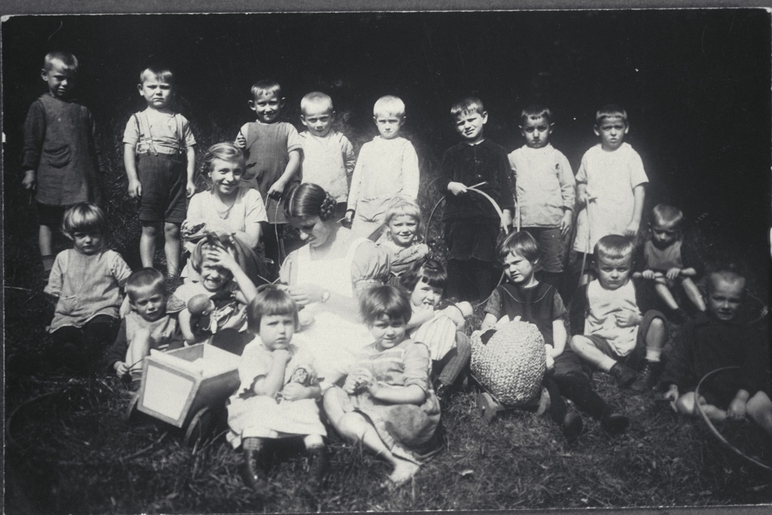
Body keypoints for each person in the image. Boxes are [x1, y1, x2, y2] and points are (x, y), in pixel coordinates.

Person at [481, 231, 629, 435]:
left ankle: (606, 413)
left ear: (534, 261)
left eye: (516, 262)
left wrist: (555, 351)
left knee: (572, 379)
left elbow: (560, 330)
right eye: (506, 266)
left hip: (553, 350)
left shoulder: (550, 293)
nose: (511, 269)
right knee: (546, 383)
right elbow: (487, 326)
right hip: (519, 356)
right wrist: (496, 332)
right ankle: (565, 417)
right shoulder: (502, 293)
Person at [323, 285, 440, 489]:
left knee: (348, 420)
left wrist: (378, 391)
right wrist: (351, 385)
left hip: (407, 412)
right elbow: (357, 384)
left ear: (406, 322)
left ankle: (401, 461)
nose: (390, 332)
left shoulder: (412, 349)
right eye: (382, 325)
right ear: (368, 325)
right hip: (375, 407)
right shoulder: (365, 352)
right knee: (331, 393)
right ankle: (363, 436)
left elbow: (417, 393)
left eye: (397, 324)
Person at [280, 183, 390, 387]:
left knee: (304, 367)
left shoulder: (360, 251)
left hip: (348, 338)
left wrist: (322, 296)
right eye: (297, 230)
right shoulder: (297, 258)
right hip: (303, 334)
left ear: (328, 214)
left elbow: (370, 313)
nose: (302, 236)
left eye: (308, 226)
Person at [227, 286, 328, 494]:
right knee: (262, 406)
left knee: (307, 406)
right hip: (258, 401)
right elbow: (268, 391)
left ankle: (317, 465)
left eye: (287, 322)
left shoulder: (301, 350)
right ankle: (251, 463)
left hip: (289, 404)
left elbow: (317, 388)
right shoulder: (253, 354)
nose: (281, 330)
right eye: (272, 324)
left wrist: (306, 393)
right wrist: (280, 359)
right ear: (256, 329)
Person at [22, 51, 106, 278]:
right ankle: (49, 268)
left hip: (80, 176)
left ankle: (81, 263)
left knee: (80, 219)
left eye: (70, 79)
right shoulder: (40, 107)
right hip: (51, 175)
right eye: (59, 77)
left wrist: (99, 170)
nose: (65, 83)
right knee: (48, 221)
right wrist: (29, 170)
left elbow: (93, 143)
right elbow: (31, 142)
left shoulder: (82, 110)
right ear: (44, 75)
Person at [659, 270, 772, 436]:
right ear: (705, 298)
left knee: (763, 410)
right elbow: (679, 359)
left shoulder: (748, 331)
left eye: (733, 301)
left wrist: (741, 398)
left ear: (742, 302)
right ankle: (730, 420)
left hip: (744, 389)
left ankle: (754, 421)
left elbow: (755, 367)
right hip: (707, 389)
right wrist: (673, 386)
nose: (725, 306)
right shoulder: (694, 327)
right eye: (719, 298)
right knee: (685, 405)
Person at [435, 96, 515, 302]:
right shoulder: (452, 153)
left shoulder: (497, 152)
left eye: (471, 120)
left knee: (484, 259)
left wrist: (506, 212)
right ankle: (452, 298)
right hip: (457, 216)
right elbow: (441, 181)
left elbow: (507, 186)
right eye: (461, 123)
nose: (467, 126)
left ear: (484, 118)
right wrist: (450, 185)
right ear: (455, 127)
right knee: (457, 258)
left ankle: (486, 300)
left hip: (487, 215)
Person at [123, 66, 197, 280]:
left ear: (172, 90)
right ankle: (148, 272)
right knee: (149, 227)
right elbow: (128, 149)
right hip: (149, 179)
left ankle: (173, 275)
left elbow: (191, 149)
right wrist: (133, 179)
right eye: (152, 87)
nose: (158, 92)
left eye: (164, 87)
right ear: (141, 89)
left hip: (176, 180)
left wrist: (190, 180)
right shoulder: (137, 119)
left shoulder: (180, 120)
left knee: (173, 227)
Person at [569, 235, 667, 393]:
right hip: (604, 346)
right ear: (595, 266)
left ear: (631, 266)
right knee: (576, 341)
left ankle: (650, 367)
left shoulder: (638, 288)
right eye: (607, 269)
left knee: (657, 319)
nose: (615, 275)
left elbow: (653, 313)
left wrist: (637, 319)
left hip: (635, 345)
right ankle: (616, 369)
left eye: (622, 269)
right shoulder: (586, 291)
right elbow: (576, 326)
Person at [43, 203, 132, 374]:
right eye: (81, 235)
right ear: (71, 236)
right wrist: (56, 316)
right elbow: (53, 292)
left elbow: (130, 282)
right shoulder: (64, 258)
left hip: (102, 311)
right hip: (69, 314)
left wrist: (126, 302)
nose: (88, 240)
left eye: (93, 234)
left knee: (96, 334)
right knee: (64, 336)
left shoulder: (110, 257)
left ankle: (82, 362)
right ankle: (61, 357)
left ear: (102, 233)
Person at [572, 105, 648, 284]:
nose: (613, 133)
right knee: (590, 263)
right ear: (597, 130)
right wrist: (581, 194)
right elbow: (581, 181)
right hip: (595, 220)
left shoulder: (630, 155)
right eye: (607, 128)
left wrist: (635, 221)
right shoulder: (590, 155)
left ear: (626, 128)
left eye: (618, 127)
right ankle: (585, 302)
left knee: (618, 262)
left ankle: (618, 302)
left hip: (619, 221)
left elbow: (640, 188)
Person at [507, 105, 575, 295]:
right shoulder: (515, 157)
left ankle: (553, 301)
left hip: (552, 221)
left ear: (550, 128)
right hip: (525, 222)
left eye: (541, 128)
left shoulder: (557, 157)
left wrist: (568, 213)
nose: (536, 134)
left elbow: (568, 186)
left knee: (553, 264)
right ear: (522, 131)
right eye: (530, 130)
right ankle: (529, 298)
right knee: (527, 261)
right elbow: (504, 181)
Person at [235, 80, 302, 270]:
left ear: (281, 103)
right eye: (262, 104)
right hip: (253, 187)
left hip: (277, 188)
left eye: (272, 103)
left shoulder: (287, 128)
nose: (267, 108)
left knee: (276, 231)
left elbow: (295, 158)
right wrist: (238, 148)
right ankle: (252, 268)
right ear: (252, 105)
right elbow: (235, 160)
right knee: (254, 230)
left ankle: (278, 270)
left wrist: (282, 183)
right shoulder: (247, 128)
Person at [181, 142, 268, 283]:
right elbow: (192, 245)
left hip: (242, 268)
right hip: (207, 268)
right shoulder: (198, 200)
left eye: (237, 172)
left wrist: (212, 226)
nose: (230, 178)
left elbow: (252, 242)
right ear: (209, 172)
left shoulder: (251, 196)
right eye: (223, 171)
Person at [345, 95, 420, 238]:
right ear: (375, 121)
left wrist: (405, 209)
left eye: (392, 121)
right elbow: (356, 181)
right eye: (383, 121)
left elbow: (411, 182)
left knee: (387, 249)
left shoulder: (405, 147)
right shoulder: (367, 148)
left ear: (402, 121)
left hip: (390, 209)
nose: (387, 126)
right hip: (364, 209)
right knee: (359, 248)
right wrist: (351, 208)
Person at [399, 258, 472, 401]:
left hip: (436, 366)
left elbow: (457, 331)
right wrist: (424, 317)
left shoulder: (441, 310)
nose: (431, 297)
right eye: (425, 289)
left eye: (437, 292)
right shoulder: (403, 308)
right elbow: (395, 326)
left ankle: (441, 388)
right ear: (410, 288)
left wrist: (459, 323)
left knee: (463, 340)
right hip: (407, 367)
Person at [172, 235, 259, 349]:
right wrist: (228, 327)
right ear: (198, 265)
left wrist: (235, 267)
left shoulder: (230, 288)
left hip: (231, 347)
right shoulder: (186, 291)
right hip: (200, 350)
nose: (215, 275)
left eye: (222, 269)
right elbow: (190, 337)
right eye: (208, 267)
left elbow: (257, 303)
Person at [106, 268, 184, 390]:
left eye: (155, 300)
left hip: (165, 366)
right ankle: (138, 383)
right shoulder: (129, 321)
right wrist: (118, 365)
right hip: (136, 367)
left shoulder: (172, 319)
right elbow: (116, 351)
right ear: (133, 305)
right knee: (142, 333)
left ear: (164, 297)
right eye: (143, 303)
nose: (151, 307)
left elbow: (178, 343)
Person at [635, 204, 706, 322]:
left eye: (669, 233)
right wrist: (644, 273)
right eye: (658, 232)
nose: (663, 237)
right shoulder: (645, 248)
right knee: (658, 279)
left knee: (685, 278)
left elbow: (698, 269)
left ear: (677, 231)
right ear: (650, 228)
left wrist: (681, 271)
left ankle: (703, 311)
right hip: (655, 286)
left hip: (677, 285)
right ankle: (677, 312)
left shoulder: (681, 247)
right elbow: (634, 273)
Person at [298, 91, 355, 219]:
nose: (319, 124)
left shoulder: (340, 140)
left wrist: (341, 176)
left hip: (337, 197)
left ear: (332, 116)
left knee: (336, 228)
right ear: (303, 120)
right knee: (313, 226)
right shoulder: (301, 141)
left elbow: (350, 161)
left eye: (323, 118)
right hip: (310, 198)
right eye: (312, 120)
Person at [376, 197, 429, 285]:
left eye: (410, 224)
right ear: (388, 227)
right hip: (389, 293)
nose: (405, 230)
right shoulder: (383, 251)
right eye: (398, 225)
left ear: (418, 225)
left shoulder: (420, 250)